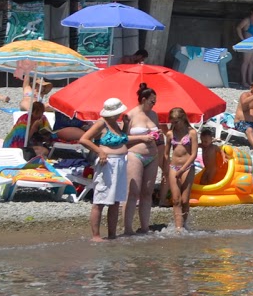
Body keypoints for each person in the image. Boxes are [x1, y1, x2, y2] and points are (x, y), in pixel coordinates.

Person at [80, 97, 131, 242]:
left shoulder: (116, 123)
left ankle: (112, 234)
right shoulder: (102, 123)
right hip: (107, 163)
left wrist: (126, 126)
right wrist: (100, 151)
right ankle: (95, 235)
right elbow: (84, 139)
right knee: (100, 200)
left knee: (115, 201)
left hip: (120, 162)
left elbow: (123, 140)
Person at [123, 84, 164, 235]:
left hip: (152, 155)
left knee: (147, 192)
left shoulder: (154, 115)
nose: (154, 104)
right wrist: (142, 137)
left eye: (155, 101)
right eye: (152, 101)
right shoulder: (130, 115)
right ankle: (128, 228)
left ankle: (144, 227)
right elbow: (123, 138)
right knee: (133, 192)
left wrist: (158, 135)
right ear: (144, 99)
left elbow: (158, 136)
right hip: (135, 154)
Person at [164, 107, 197, 231]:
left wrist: (182, 170)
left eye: (176, 122)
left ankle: (185, 223)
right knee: (176, 199)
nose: (174, 124)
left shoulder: (191, 133)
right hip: (174, 166)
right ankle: (179, 228)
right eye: (172, 122)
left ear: (183, 119)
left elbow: (193, 154)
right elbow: (166, 153)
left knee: (184, 200)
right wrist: (165, 169)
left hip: (187, 167)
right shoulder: (170, 134)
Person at [235, 7, 253, 87]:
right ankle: (244, 81)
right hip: (248, 44)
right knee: (246, 62)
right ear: (251, 11)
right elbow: (238, 28)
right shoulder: (247, 20)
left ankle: (249, 80)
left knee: (252, 63)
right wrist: (242, 39)